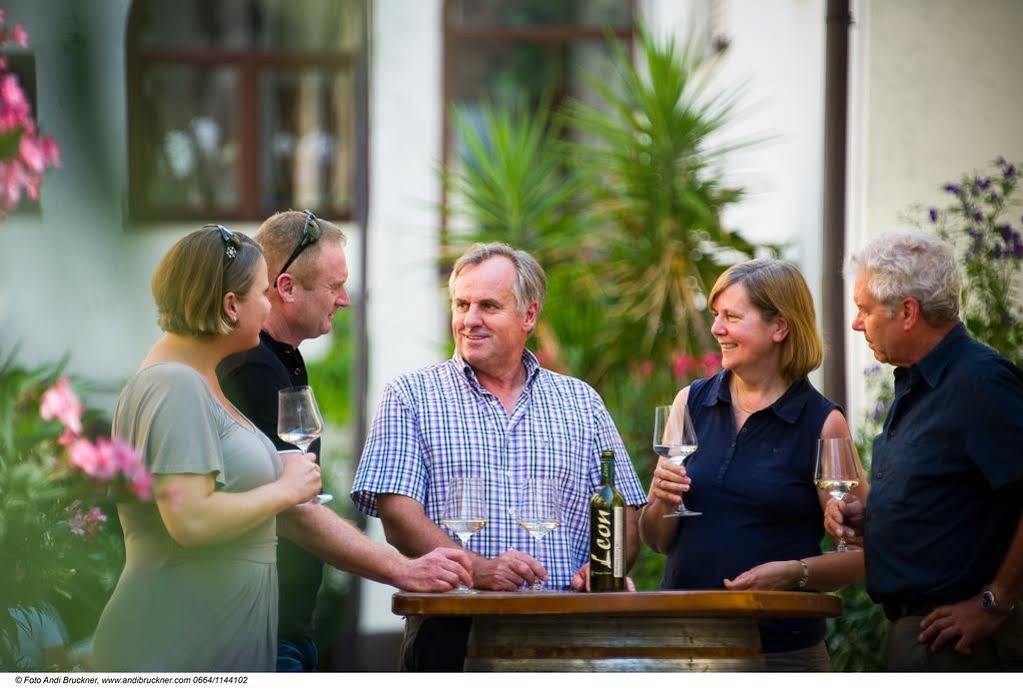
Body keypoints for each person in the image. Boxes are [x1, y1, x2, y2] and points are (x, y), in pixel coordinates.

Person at [350, 242, 647, 671]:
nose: (470, 320)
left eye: (488, 305)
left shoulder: (581, 402)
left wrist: (603, 568)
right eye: (462, 304)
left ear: (529, 314)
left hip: (572, 633)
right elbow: (398, 516)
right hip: (452, 630)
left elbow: (624, 512)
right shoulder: (411, 396)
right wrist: (477, 570)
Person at [217, 210, 472, 672]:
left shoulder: (280, 360)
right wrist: (403, 569)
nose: (345, 300)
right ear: (288, 288)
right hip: (256, 635)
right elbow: (291, 513)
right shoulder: (252, 368)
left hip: (281, 628)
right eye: (334, 286)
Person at [93, 226, 324, 671]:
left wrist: (274, 467)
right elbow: (191, 519)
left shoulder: (200, 378)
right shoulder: (173, 383)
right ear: (231, 305)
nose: (268, 304)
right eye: (262, 293)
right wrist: (286, 489)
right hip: (175, 646)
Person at [639, 259, 867, 672]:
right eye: (716, 316)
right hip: (683, 644)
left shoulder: (822, 422)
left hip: (780, 653)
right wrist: (659, 500)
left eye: (732, 317)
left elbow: (861, 553)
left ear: (779, 327)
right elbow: (657, 539)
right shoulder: (689, 403)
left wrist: (792, 573)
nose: (716, 329)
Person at [826, 230, 1023, 671]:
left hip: (964, 646)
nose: (858, 324)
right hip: (921, 638)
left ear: (908, 312)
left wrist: (995, 602)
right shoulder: (917, 384)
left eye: (865, 310)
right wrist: (871, 519)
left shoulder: (979, 382)